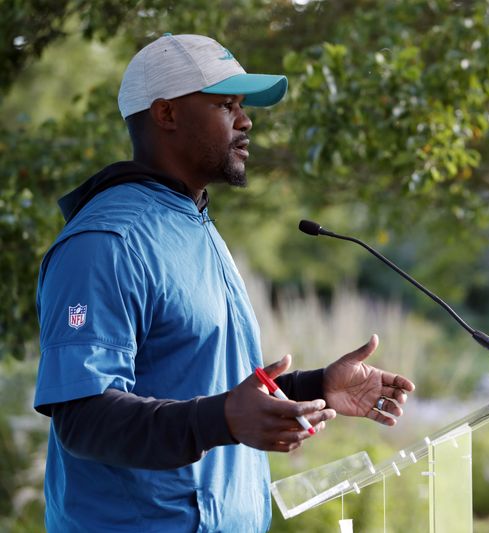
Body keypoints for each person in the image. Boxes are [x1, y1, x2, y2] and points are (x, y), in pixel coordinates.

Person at [33, 33, 415, 532]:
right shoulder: (107, 242)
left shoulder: (192, 221)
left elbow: (202, 386)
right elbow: (83, 418)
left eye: (242, 105)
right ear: (166, 114)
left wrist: (315, 386)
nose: (245, 120)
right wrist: (224, 419)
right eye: (225, 105)